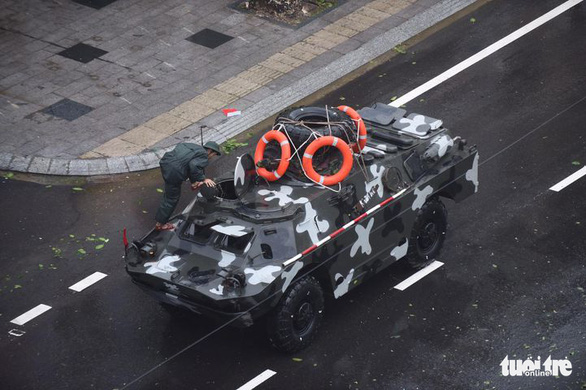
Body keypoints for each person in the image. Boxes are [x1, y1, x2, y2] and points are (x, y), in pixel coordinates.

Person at [154, 141, 221, 231]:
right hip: (174, 172)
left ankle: (194, 183)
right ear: (210, 151)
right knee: (171, 198)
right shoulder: (204, 156)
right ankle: (161, 223)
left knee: (170, 190)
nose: (212, 157)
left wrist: (194, 181)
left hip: (166, 162)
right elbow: (194, 165)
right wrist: (203, 179)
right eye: (214, 154)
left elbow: (190, 162)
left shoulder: (192, 146)